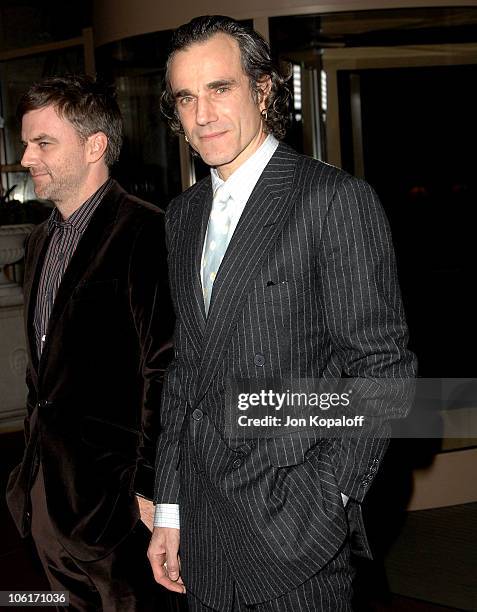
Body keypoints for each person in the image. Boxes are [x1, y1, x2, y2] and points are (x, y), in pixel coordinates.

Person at [148, 15, 417, 612]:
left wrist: (330, 497)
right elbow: (186, 370)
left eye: (220, 89)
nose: (202, 115)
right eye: (186, 98)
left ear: (263, 90)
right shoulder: (182, 216)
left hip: (294, 534)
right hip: (204, 526)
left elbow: (383, 373)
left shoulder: (333, 200)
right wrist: (169, 507)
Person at [6, 75, 176, 611]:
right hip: (47, 499)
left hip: (118, 509)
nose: (26, 156)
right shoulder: (39, 241)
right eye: (26, 141)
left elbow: (165, 370)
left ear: (95, 145)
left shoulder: (147, 233)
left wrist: (150, 491)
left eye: (43, 142)